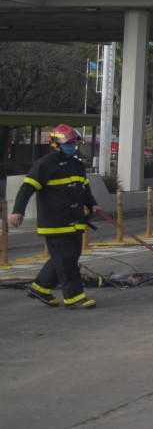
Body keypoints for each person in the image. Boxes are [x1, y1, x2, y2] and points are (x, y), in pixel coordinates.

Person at [7, 125, 99, 309]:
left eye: (73, 144)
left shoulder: (77, 165)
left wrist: (92, 204)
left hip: (74, 221)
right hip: (55, 222)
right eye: (68, 144)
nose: (71, 147)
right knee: (66, 260)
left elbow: (85, 189)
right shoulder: (44, 164)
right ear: (55, 144)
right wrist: (18, 211)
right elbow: (26, 189)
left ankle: (40, 288)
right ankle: (74, 297)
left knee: (67, 257)